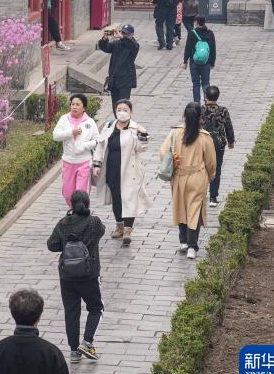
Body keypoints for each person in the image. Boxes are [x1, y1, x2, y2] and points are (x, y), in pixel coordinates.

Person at [46, 191, 105, 364]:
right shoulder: (94, 222)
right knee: (96, 308)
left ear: (71, 205)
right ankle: (87, 342)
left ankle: (73, 351)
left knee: (71, 312)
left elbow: (51, 245)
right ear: (87, 204)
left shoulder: (63, 224)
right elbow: (101, 232)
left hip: (67, 275)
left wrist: (66, 246)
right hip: (89, 274)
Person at [159, 103, 217, 260]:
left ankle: (183, 241)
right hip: (197, 177)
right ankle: (192, 246)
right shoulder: (204, 136)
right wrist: (211, 175)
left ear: (184, 115)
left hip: (179, 176)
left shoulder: (175, 133)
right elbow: (211, 161)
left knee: (181, 208)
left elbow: (163, 152)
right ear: (200, 117)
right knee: (194, 210)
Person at [91, 99, 152, 246]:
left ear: (131, 111)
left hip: (130, 171)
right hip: (112, 168)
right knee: (117, 198)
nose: (122, 112)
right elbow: (101, 145)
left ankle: (127, 231)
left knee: (129, 199)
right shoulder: (109, 126)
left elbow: (142, 148)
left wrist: (143, 134)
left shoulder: (135, 128)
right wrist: (97, 164)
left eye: (125, 110)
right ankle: (119, 225)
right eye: (119, 110)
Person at [53, 94, 99, 207]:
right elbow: (56, 136)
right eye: (72, 104)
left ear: (84, 108)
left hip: (84, 162)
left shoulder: (90, 122)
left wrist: (84, 146)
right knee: (68, 194)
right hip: (68, 161)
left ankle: (81, 214)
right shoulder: (64, 119)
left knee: (81, 195)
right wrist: (70, 133)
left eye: (78, 104)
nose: (74, 107)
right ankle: (73, 211)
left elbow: (97, 140)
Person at [201, 86, 235, 208]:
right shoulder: (223, 110)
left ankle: (200, 194)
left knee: (202, 168)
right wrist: (231, 141)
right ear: (217, 96)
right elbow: (228, 126)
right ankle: (213, 197)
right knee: (216, 169)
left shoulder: (200, 109)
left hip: (203, 143)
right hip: (218, 144)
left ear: (206, 96)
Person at [96, 24, 139, 115]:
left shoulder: (134, 45)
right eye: (123, 33)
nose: (124, 35)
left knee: (123, 104)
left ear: (132, 34)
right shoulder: (117, 43)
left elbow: (132, 45)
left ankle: (125, 121)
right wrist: (104, 39)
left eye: (127, 34)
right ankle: (117, 121)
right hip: (114, 79)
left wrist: (122, 38)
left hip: (126, 79)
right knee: (115, 105)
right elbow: (106, 47)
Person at [181, 15, 216, 103]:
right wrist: (212, 62)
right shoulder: (210, 33)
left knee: (196, 84)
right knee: (206, 83)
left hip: (194, 62)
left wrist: (185, 61)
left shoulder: (192, 33)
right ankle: (208, 101)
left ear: (196, 22)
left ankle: (197, 103)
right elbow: (213, 49)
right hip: (206, 62)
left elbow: (188, 48)